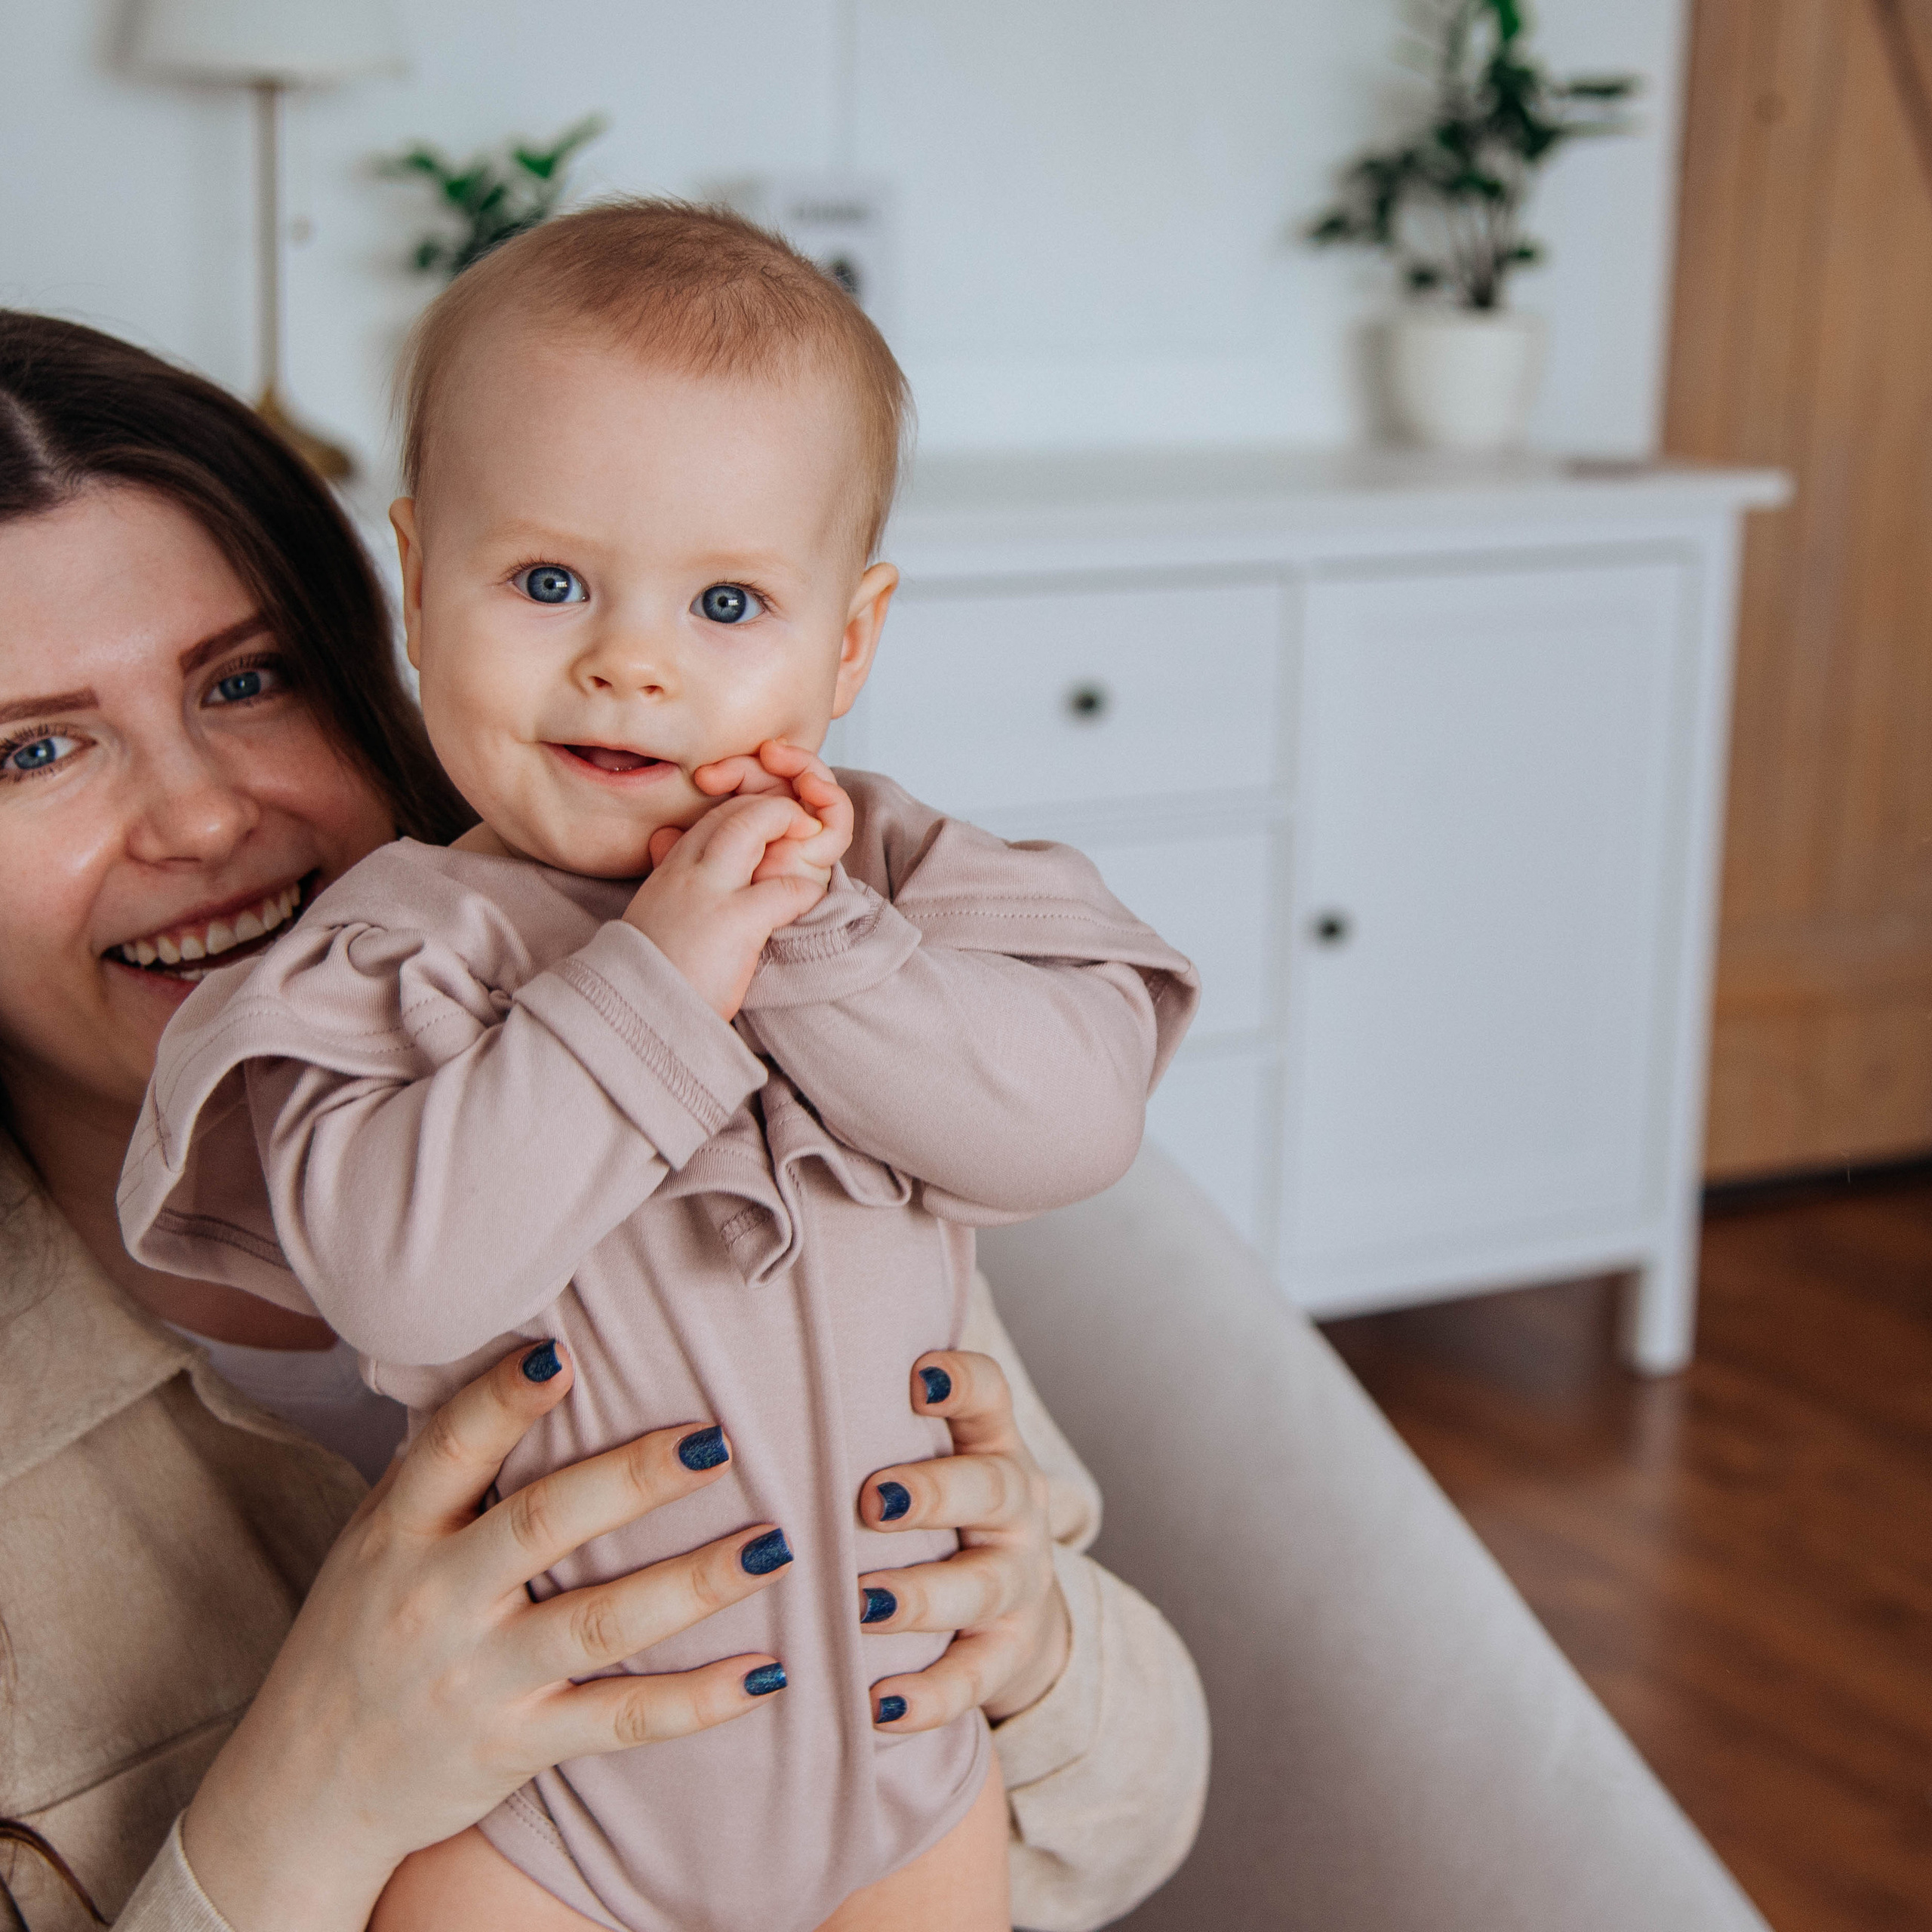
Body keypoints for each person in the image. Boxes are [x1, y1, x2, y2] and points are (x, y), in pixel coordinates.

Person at [0, 309, 1210, 1932]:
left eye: (249, 676)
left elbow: (1128, 1819)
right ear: (433, 594)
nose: (206, 812)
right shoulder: (444, 976)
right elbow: (420, 1270)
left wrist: (1032, 1642)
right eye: (35, 747)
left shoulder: (832, 977)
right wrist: (310, 1794)